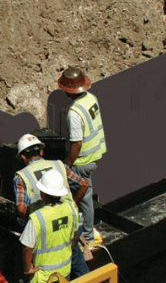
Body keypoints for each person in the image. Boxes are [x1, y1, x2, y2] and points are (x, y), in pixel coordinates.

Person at [14, 133, 90, 279]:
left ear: (23, 157)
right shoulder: (59, 165)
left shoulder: (21, 176)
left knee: (44, 265)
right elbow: (84, 184)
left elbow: (21, 209)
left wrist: (30, 223)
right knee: (75, 261)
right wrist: (71, 205)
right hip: (69, 221)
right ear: (41, 151)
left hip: (44, 230)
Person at [59, 66, 106, 249]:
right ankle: (87, 231)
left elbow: (77, 143)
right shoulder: (91, 99)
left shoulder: (75, 113)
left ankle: (87, 236)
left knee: (82, 197)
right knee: (86, 194)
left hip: (83, 160)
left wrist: (67, 164)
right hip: (94, 154)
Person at [20, 170, 79, 283]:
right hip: (64, 272)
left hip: (43, 277)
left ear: (43, 194)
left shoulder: (37, 217)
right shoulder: (71, 209)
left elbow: (27, 247)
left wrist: (28, 269)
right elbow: (74, 237)